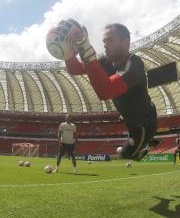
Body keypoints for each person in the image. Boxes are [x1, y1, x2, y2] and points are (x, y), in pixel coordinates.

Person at [49, 19, 158, 161]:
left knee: (126, 156)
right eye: (104, 41)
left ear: (126, 42)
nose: (105, 45)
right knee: (128, 152)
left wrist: (84, 47)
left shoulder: (134, 65)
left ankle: (145, 146)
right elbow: (75, 69)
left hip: (144, 124)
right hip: (130, 121)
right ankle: (143, 147)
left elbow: (105, 91)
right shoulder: (106, 61)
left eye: (110, 40)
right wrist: (69, 51)